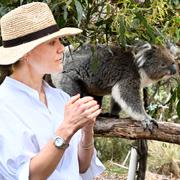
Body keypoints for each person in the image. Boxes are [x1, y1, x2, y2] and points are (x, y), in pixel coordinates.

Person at [0, 2, 105, 180]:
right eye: (52, 42)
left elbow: (81, 167)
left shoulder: (61, 98)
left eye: (60, 40)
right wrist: (67, 129)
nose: (61, 48)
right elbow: (30, 176)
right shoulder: (4, 105)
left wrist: (87, 130)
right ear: (27, 53)